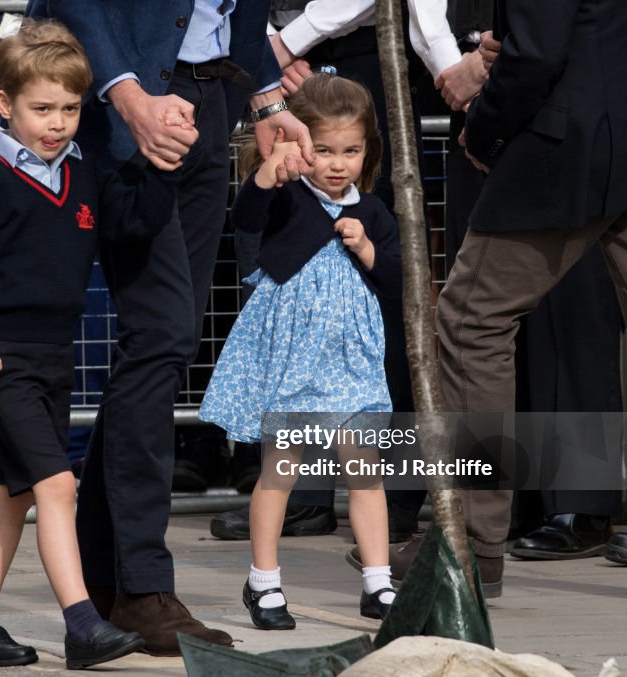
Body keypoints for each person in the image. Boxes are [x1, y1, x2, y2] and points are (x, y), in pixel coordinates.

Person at [27, 0, 313, 656]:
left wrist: (266, 101)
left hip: (209, 99)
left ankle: (104, 574)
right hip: (127, 99)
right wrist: (130, 99)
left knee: (168, 340)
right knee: (159, 336)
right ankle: (141, 586)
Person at [0, 19, 183, 669]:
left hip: (53, 358)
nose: (58, 122)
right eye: (42, 108)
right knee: (56, 483)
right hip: (0, 358)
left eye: (69, 108)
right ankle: (82, 624)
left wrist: (157, 159)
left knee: (12, 496)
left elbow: (133, 222)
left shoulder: (84, 178)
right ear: (6, 105)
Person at [437, 0, 627, 605]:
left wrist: (484, 127)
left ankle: (471, 545)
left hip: (566, 144)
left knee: (470, 324)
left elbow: (540, 49)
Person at [200, 72, 402, 625]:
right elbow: (245, 222)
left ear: (369, 151)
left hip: (351, 360)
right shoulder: (289, 196)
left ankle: (378, 583)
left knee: (364, 471)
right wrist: (265, 176)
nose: (338, 164)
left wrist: (366, 250)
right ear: (299, 144)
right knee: (280, 469)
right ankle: (263, 583)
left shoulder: (375, 211)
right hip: (294, 356)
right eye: (326, 150)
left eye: (352, 151)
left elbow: (397, 280)